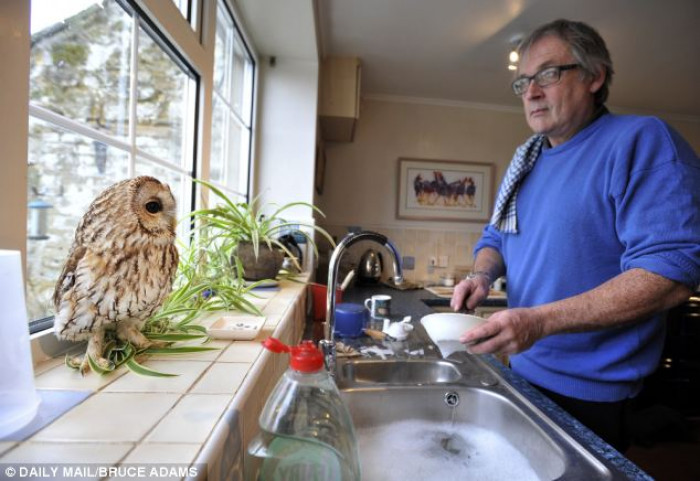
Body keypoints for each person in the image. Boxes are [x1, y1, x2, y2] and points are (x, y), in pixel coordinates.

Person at [450, 19, 700, 452]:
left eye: (548, 73)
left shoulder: (641, 140)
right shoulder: (525, 162)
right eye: (523, 81)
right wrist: (482, 277)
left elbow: (670, 274)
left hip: (595, 395)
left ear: (594, 76)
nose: (531, 91)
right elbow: (495, 236)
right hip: (525, 370)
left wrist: (539, 321)